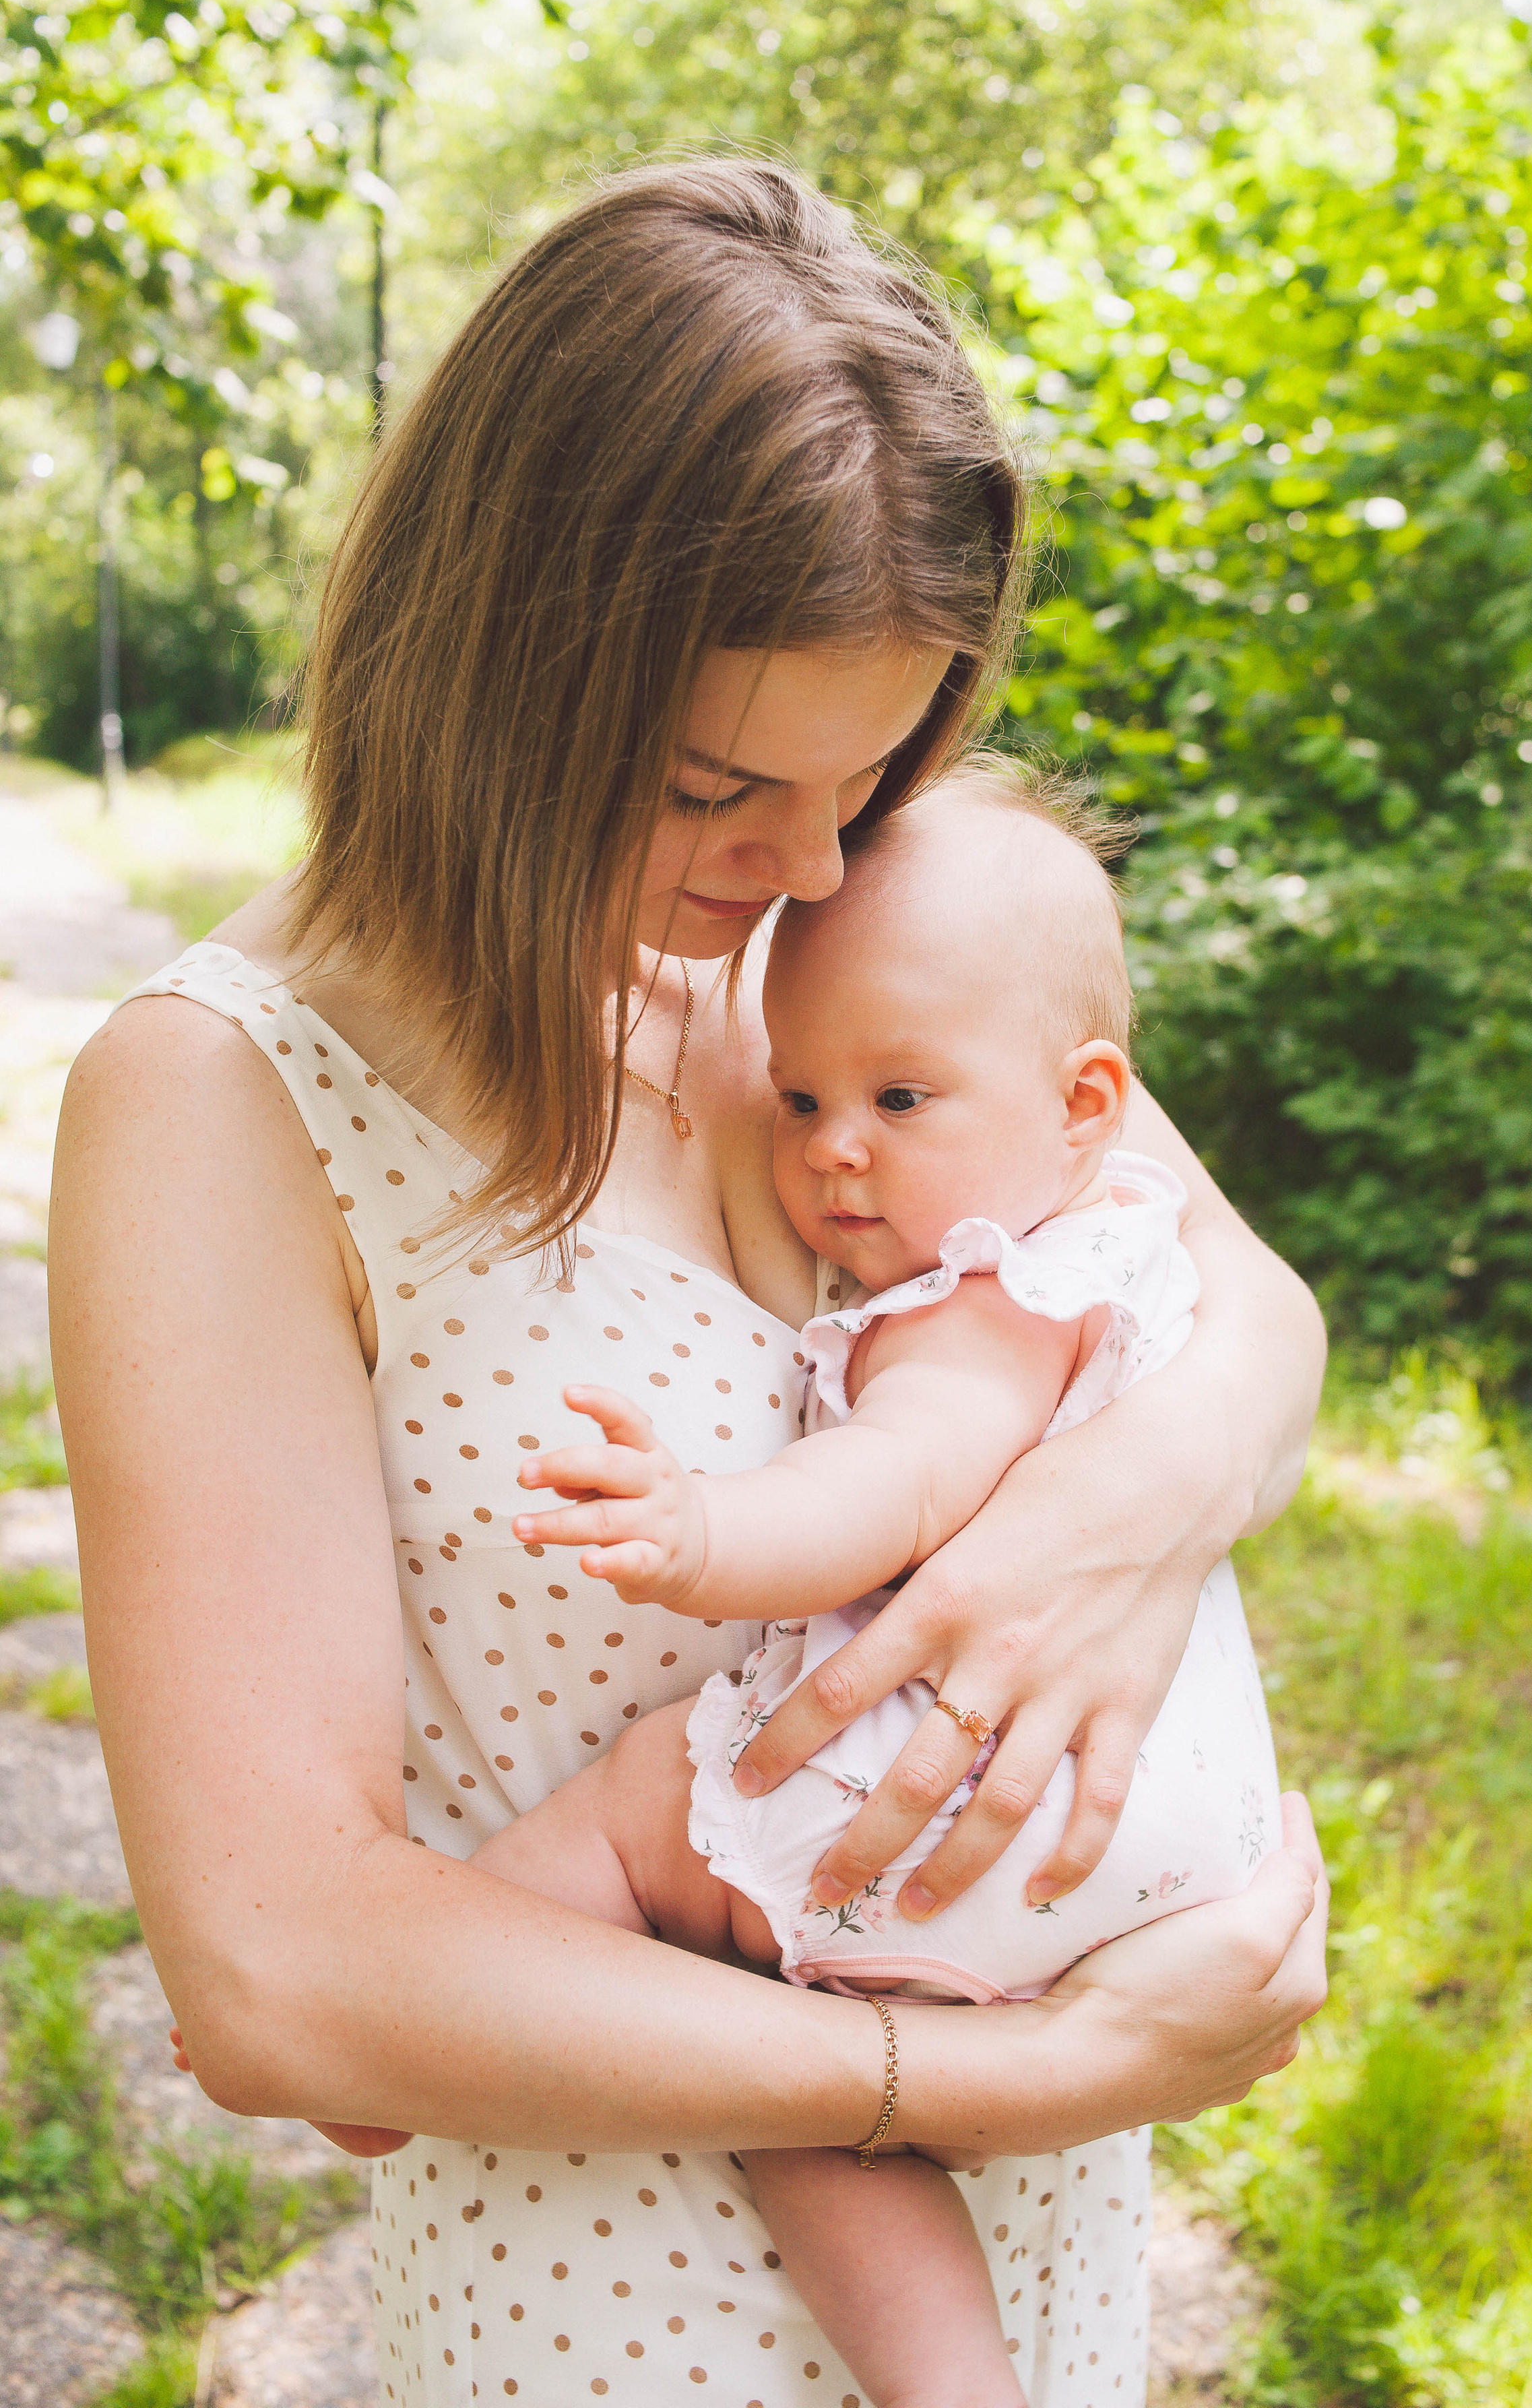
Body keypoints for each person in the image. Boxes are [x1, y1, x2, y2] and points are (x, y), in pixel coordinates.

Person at [51, 158, 1329, 2408]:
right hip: (615, 2312)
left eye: (873, 772)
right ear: (494, 674)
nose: (808, 866)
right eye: (714, 783)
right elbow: (276, 1979)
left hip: (1047, 2277)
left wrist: (1110, 1525)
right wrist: (1002, 2082)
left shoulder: (851, 948)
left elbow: (1245, 1314)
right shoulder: (227, 1108)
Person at [458, 759, 1282, 2408]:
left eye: (900, 1102)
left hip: (939, 1812)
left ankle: (398, 2025)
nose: (838, 1155)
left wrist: (704, 1536)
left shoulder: (989, 1295)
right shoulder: (1127, 1235)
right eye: (801, 1100)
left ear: (1085, 1100)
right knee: (818, 2102)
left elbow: (891, 1481)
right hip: (1128, 1853)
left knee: (643, 1822)